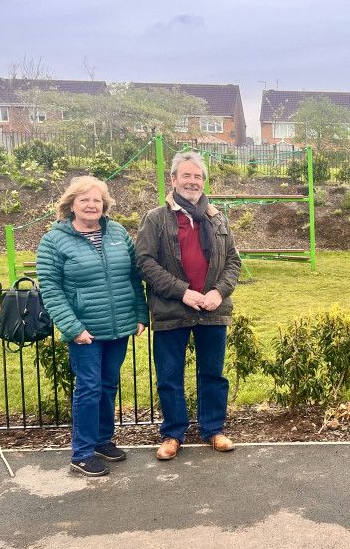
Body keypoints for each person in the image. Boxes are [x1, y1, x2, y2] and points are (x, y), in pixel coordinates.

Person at [36, 176, 148, 477]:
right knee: (88, 388)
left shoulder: (118, 233)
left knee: (108, 385)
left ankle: (102, 440)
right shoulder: (54, 240)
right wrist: (73, 328)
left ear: (104, 204)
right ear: (71, 204)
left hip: (119, 326)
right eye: (84, 199)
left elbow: (133, 277)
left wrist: (140, 314)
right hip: (85, 330)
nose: (91, 205)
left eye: (96, 200)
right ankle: (82, 452)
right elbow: (50, 288)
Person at [136, 151, 242, 461]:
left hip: (212, 309)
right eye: (186, 175)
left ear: (203, 181)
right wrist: (183, 292)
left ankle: (213, 430)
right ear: (173, 180)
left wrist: (219, 293)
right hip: (172, 309)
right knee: (170, 374)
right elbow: (144, 262)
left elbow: (233, 261)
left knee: (213, 373)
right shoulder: (156, 219)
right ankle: (173, 433)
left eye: (197, 176)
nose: (192, 181)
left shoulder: (217, 217)